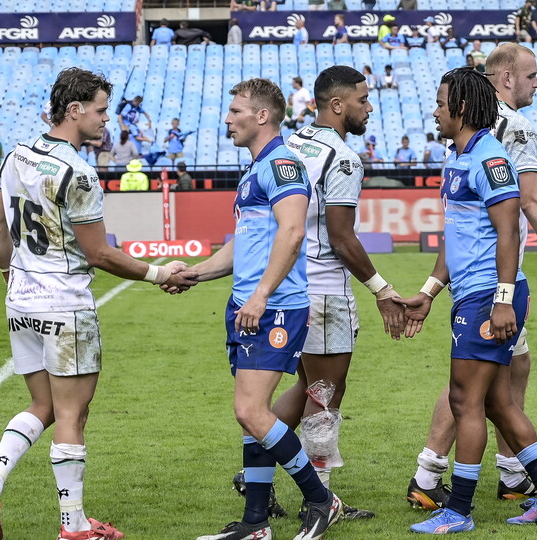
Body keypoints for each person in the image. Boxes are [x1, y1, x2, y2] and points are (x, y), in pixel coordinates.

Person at [0, 67, 195, 540]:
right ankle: (74, 526)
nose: (106, 119)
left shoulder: (15, 155)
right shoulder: (79, 172)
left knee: (43, 403)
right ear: (75, 110)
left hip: (22, 303)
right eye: (101, 109)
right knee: (73, 414)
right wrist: (158, 273)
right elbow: (99, 253)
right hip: (65, 304)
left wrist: (13, 277)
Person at [406, 45, 537, 513]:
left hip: (489, 295)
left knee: (467, 399)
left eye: (442, 103)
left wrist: (503, 298)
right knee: (499, 404)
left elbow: (509, 231)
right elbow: (457, 237)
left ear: (461, 107)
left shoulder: (490, 157)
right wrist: (429, 292)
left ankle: (457, 510)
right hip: (473, 293)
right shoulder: (458, 157)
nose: (436, 111)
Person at [184, 78, 345, 540]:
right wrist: (194, 274)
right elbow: (245, 245)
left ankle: (320, 500)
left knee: (252, 412)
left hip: (274, 308)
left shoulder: (284, 165)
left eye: (236, 110)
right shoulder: (256, 168)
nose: (228, 118)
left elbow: (292, 233)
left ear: (261, 117)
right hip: (249, 306)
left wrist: (260, 295)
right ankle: (256, 522)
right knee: (252, 414)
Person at [248, 65, 404, 519]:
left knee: (304, 387)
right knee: (324, 396)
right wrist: (382, 288)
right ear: (337, 105)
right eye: (362, 99)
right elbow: (342, 236)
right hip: (325, 291)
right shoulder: (344, 158)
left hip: (286, 288)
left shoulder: (286, 146)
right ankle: (322, 500)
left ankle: (254, 470)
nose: (369, 107)